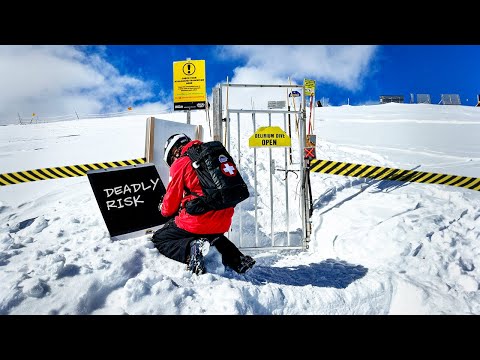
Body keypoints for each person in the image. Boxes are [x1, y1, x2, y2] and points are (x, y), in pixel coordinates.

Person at [151, 133, 256, 275]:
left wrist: (162, 208)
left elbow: (169, 208)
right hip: (223, 220)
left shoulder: (181, 162)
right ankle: (237, 259)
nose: (173, 161)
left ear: (175, 150)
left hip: (199, 220)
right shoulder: (213, 156)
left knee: (160, 238)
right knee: (212, 236)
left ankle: (191, 249)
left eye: (171, 158)